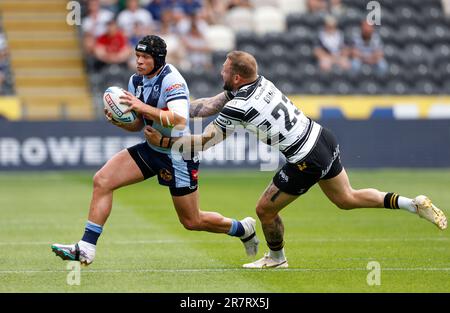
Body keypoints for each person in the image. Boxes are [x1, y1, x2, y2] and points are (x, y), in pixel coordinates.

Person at [144, 50, 448, 269]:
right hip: (322, 137)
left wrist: (164, 141)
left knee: (264, 209)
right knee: (346, 198)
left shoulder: (239, 106)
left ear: (236, 76)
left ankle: (277, 259)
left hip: (305, 158)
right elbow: (208, 105)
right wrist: (172, 109)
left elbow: (203, 143)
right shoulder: (259, 82)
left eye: (224, 70)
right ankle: (412, 203)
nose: (220, 73)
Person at [51, 36, 259, 265]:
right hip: (152, 149)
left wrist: (142, 107)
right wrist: (120, 121)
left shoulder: (172, 80)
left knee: (192, 221)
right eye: (137, 56)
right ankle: (86, 247)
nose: (139, 61)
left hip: (178, 154)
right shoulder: (136, 81)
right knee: (102, 180)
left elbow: (179, 120)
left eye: (145, 57)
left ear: (158, 59)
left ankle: (242, 228)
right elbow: (139, 124)